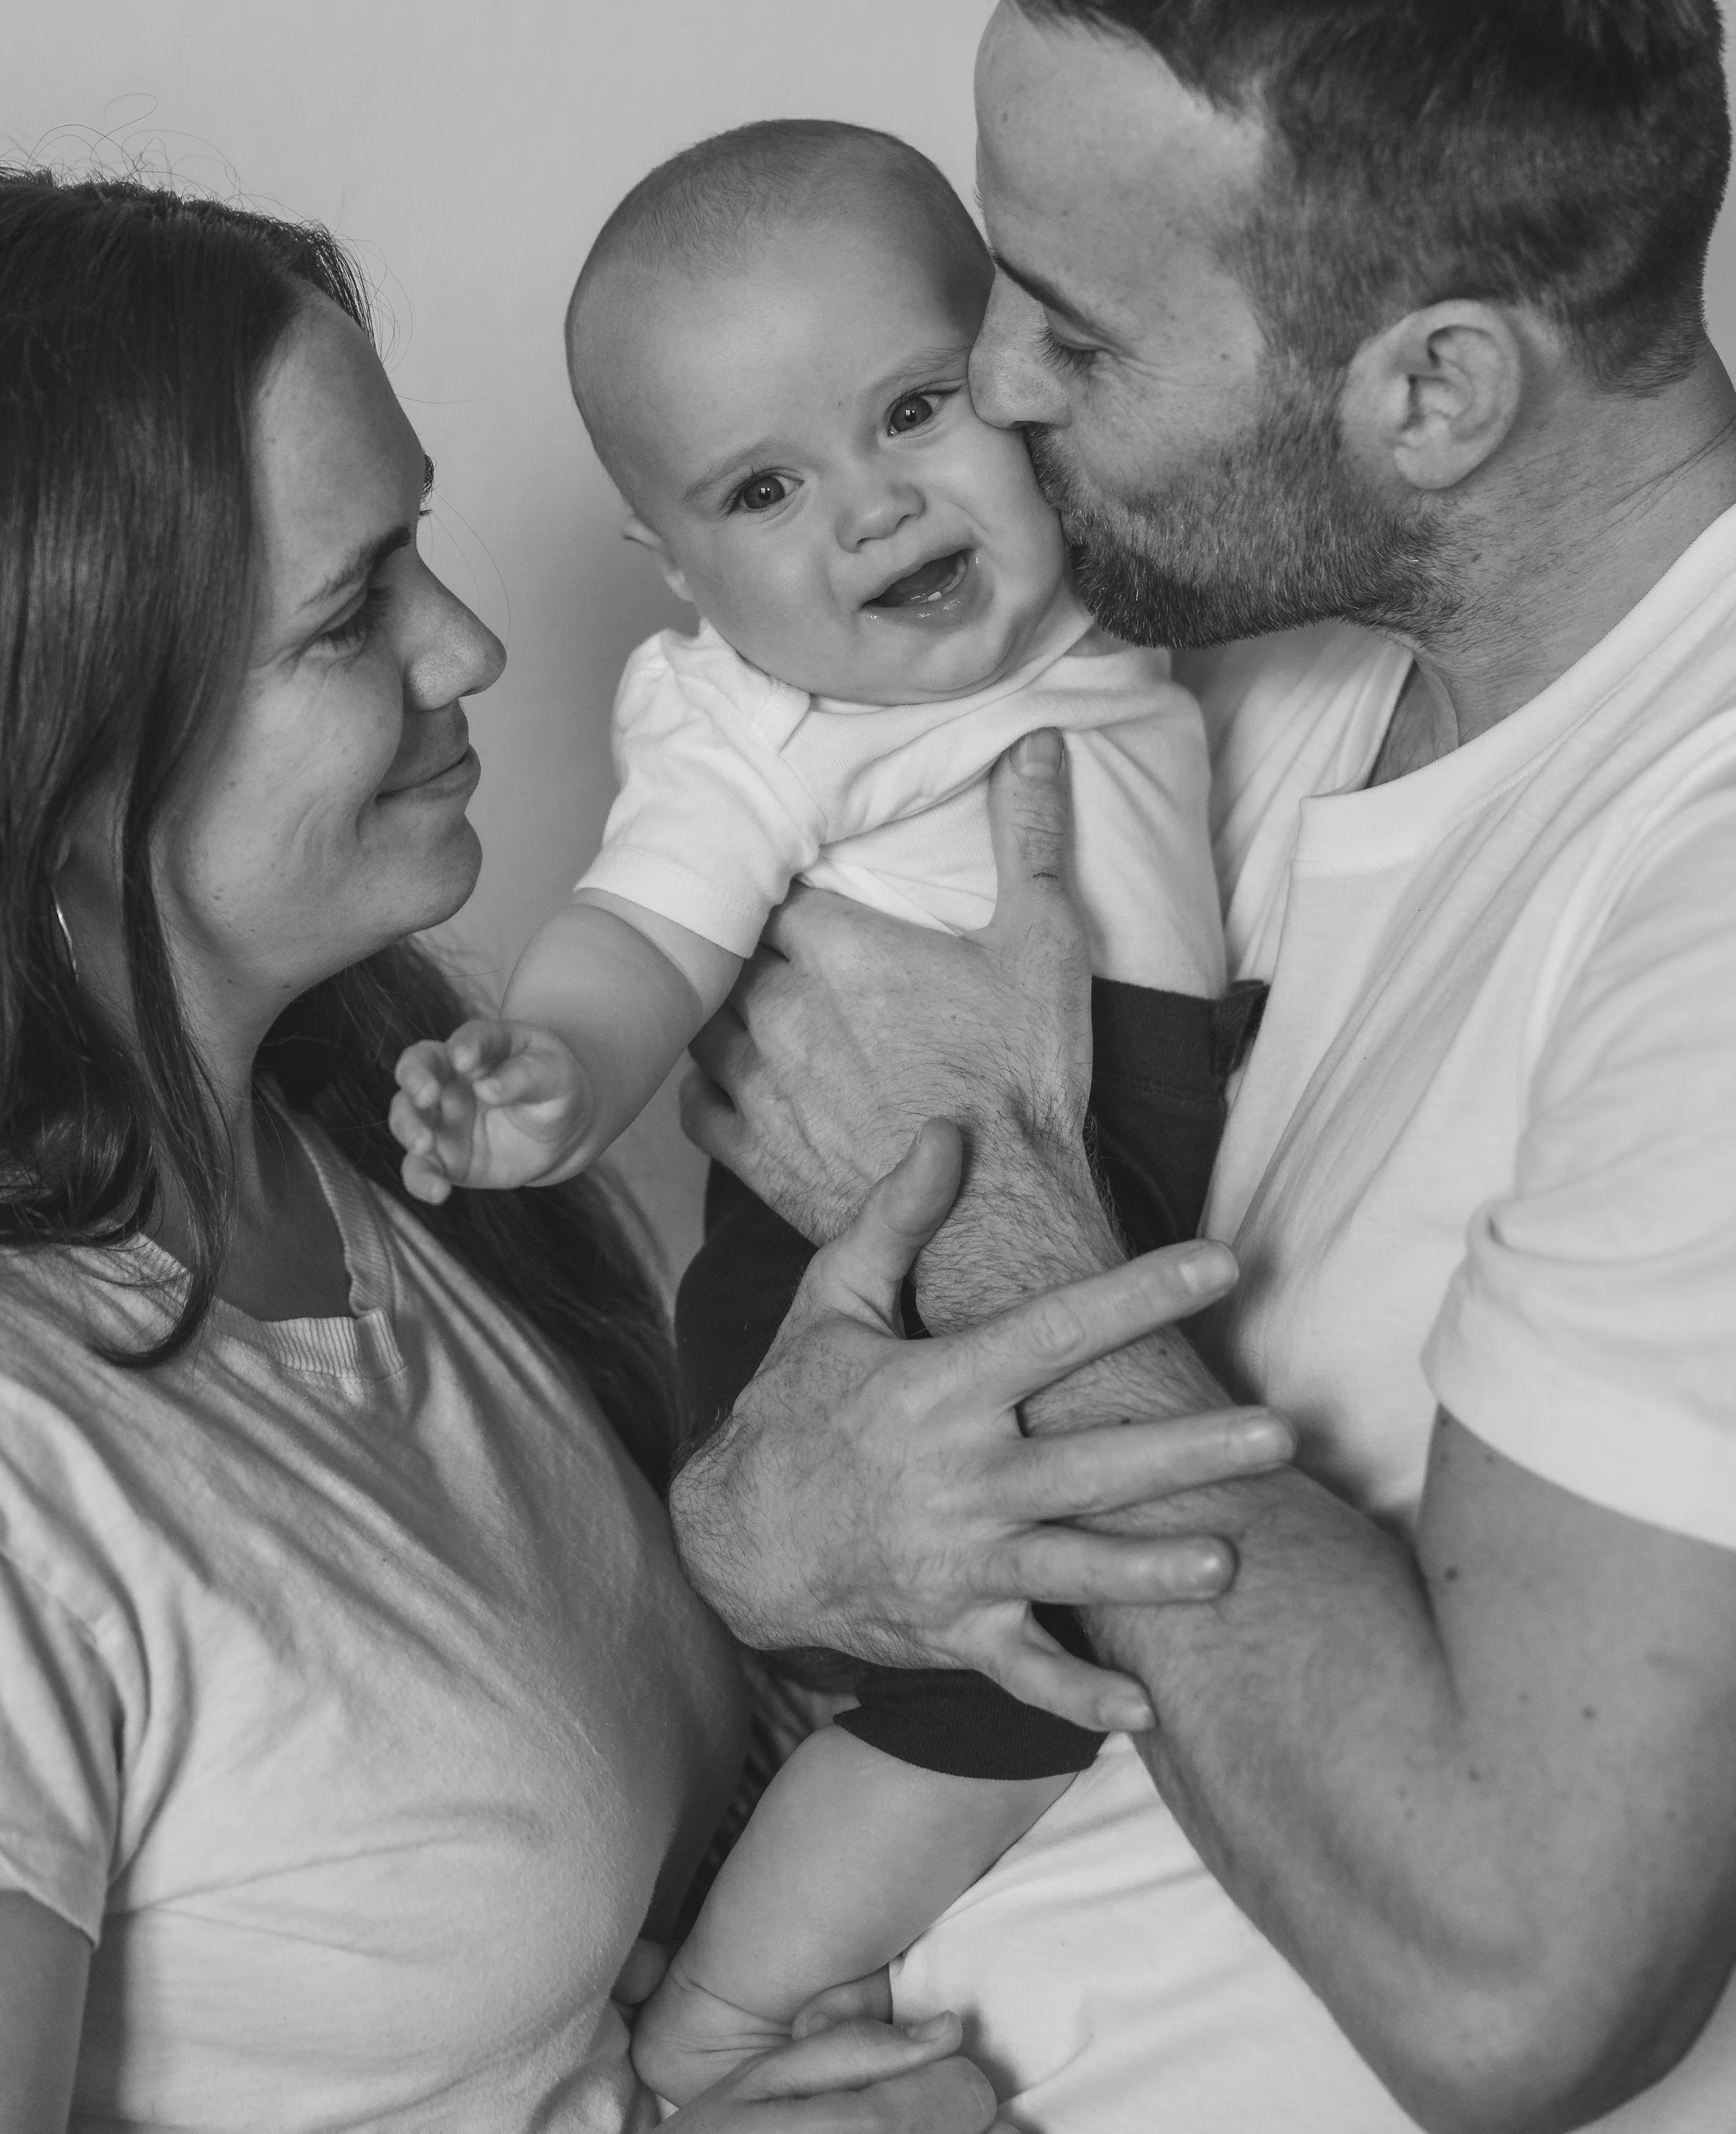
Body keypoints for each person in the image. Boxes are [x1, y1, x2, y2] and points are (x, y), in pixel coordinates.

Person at [665, 0, 1736, 2133]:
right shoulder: (1227, 687)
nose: (998, 396)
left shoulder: (1732, 885)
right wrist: (787, 1529)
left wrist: (1020, 1235)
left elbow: (1515, 1988)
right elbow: (820, 1487)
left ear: (1436, 390)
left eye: (1074, 329)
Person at [1, 163, 1180, 2133]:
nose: (469, 648)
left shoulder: (393, 1166)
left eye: (421, 548)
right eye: (344, 611)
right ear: (58, 764)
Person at [386, 120, 1277, 2109]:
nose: (872, 508)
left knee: (1078, 1636)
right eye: (766, 488)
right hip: (862, 1257)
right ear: (681, 568)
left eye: (914, 405)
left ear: (1027, 369)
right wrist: (556, 1070)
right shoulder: (758, 718)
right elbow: (642, 927)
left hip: (1077, 1175)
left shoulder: (1117, 598)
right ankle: (718, 2018)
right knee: (1017, 1686)